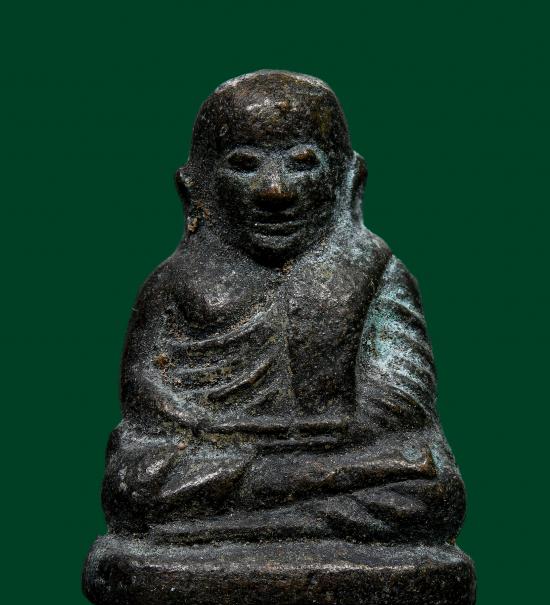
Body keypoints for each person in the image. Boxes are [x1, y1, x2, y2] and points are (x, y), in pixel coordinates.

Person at [102, 70, 465, 548]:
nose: (275, 189)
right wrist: (209, 429)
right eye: (245, 165)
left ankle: (222, 530)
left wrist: (333, 438)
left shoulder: (376, 273)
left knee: (430, 486)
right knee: (136, 481)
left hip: (342, 452)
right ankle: (291, 521)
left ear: (347, 180)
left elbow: (403, 401)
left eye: (302, 163)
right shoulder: (173, 283)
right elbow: (146, 395)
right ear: (197, 188)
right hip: (223, 459)